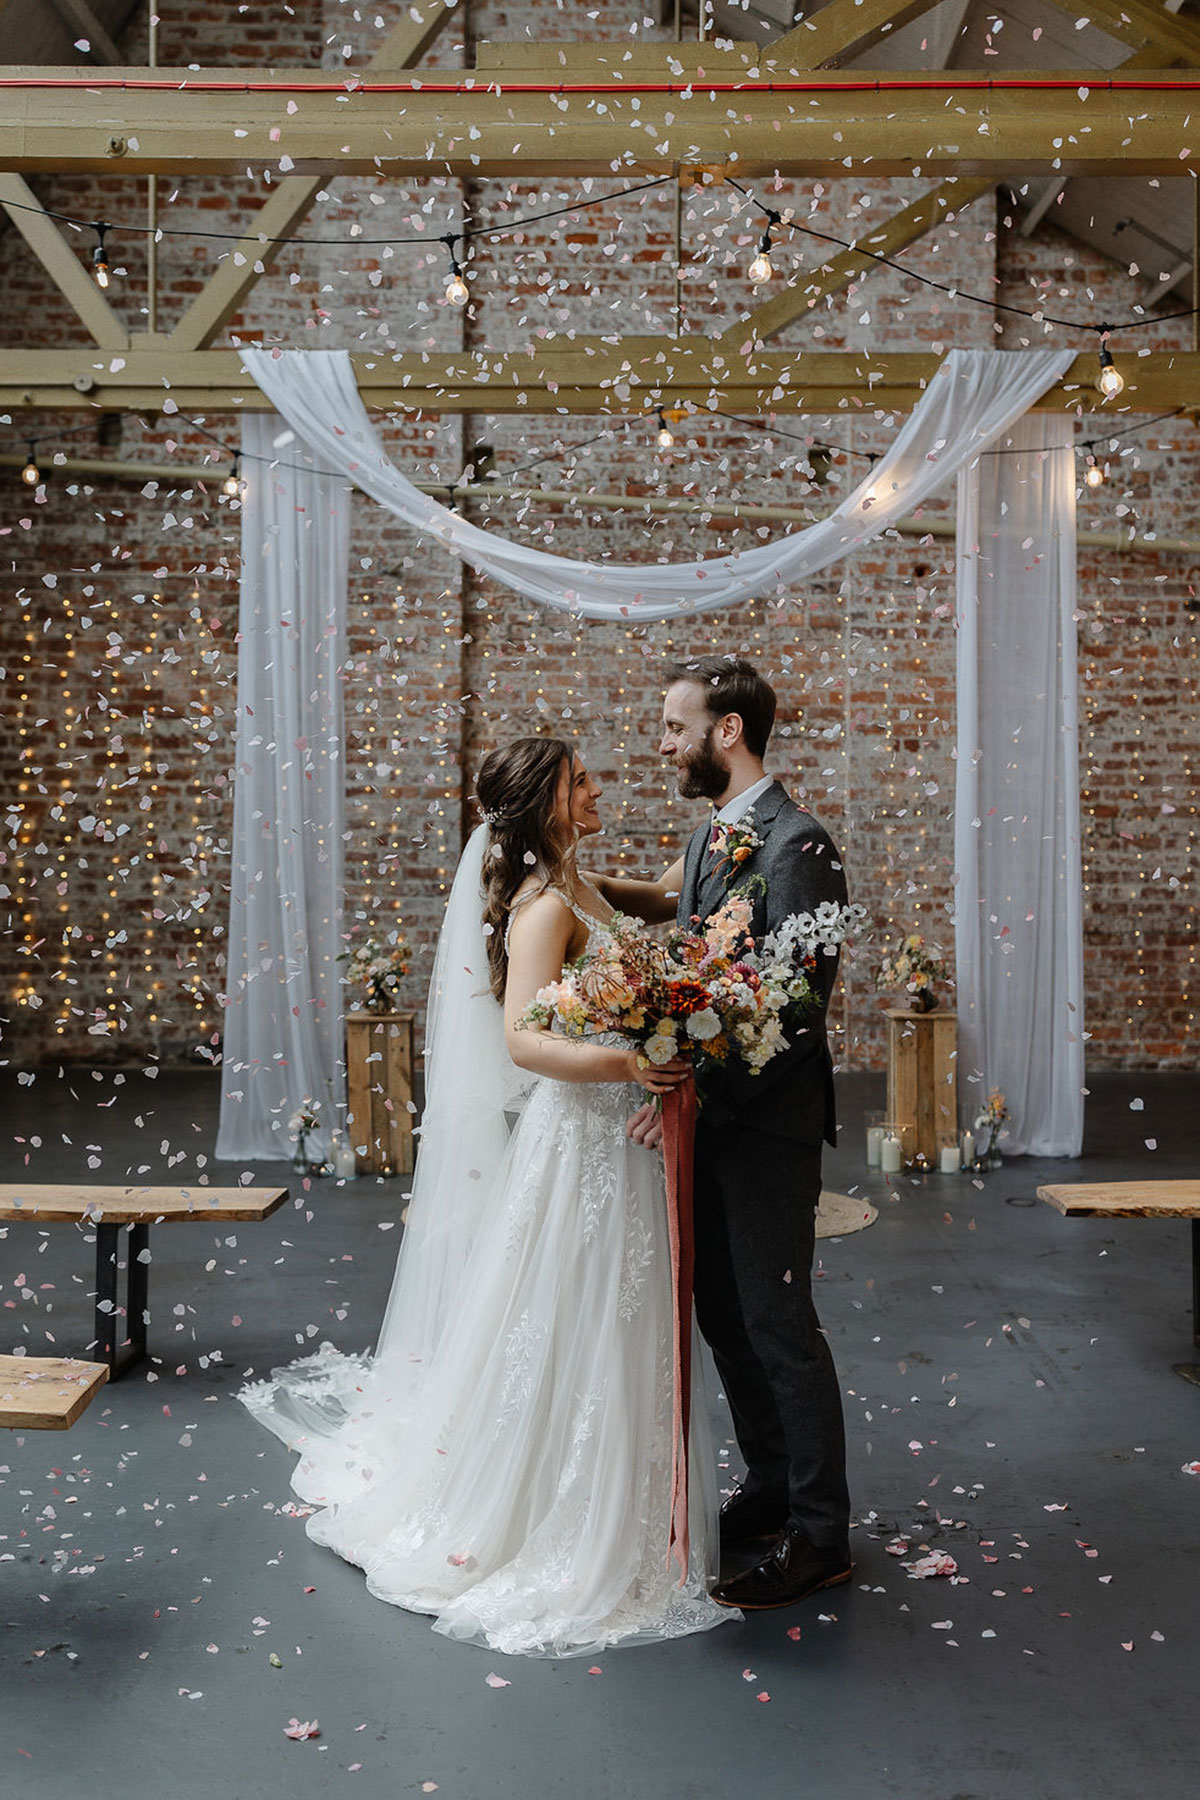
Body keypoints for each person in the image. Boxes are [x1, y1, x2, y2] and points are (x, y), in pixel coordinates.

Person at [239, 735, 732, 1658]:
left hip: (619, 1132)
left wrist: (728, 822)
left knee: (613, 1312)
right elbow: (522, 1043)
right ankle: (553, 1510)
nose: (596, 787)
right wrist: (639, 1061)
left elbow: (669, 895)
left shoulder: (584, 884)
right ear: (545, 801)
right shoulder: (544, 910)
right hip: (578, 1137)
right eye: (580, 780)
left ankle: (621, 1499)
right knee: (569, 1310)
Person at [628, 656, 854, 1610]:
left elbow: (798, 1012)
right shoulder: (708, 840)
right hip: (710, 1123)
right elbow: (698, 951)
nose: (664, 742)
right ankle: (767, 1488)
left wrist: (698, 1088)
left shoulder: (802, 846)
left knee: (778, 1323)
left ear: (728, 730)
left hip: (765, 1130)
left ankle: (820, 1534)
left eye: (676, 726)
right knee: (724, 1315)